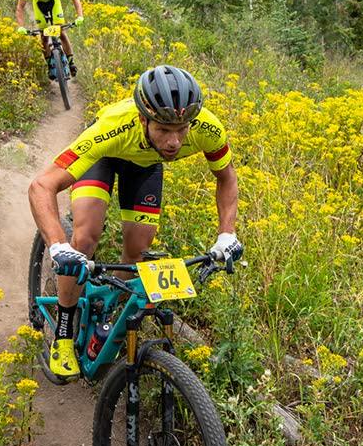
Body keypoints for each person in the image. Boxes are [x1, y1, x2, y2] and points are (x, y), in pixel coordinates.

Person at [28, 64, 242, 377]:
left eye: (182, 130)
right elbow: (41, 186)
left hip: (145, 166)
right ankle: (63, 332)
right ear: (143, 118)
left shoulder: (206, 128)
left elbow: (226, 178)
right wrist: (58, 246)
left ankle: (108, 315)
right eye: (164, 130)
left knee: (138, 248)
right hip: (105, 157)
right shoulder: (113, 127)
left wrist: (227, 234)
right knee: (86, 236)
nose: (174, 142)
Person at [15, 0, 85, 78]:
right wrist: (20, 26)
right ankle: (50, 65)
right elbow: (20, 7)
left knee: (61, 32)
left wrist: (80, 16)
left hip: (54, 3)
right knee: (44, 37)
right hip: (38, 5)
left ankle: (71, 62)